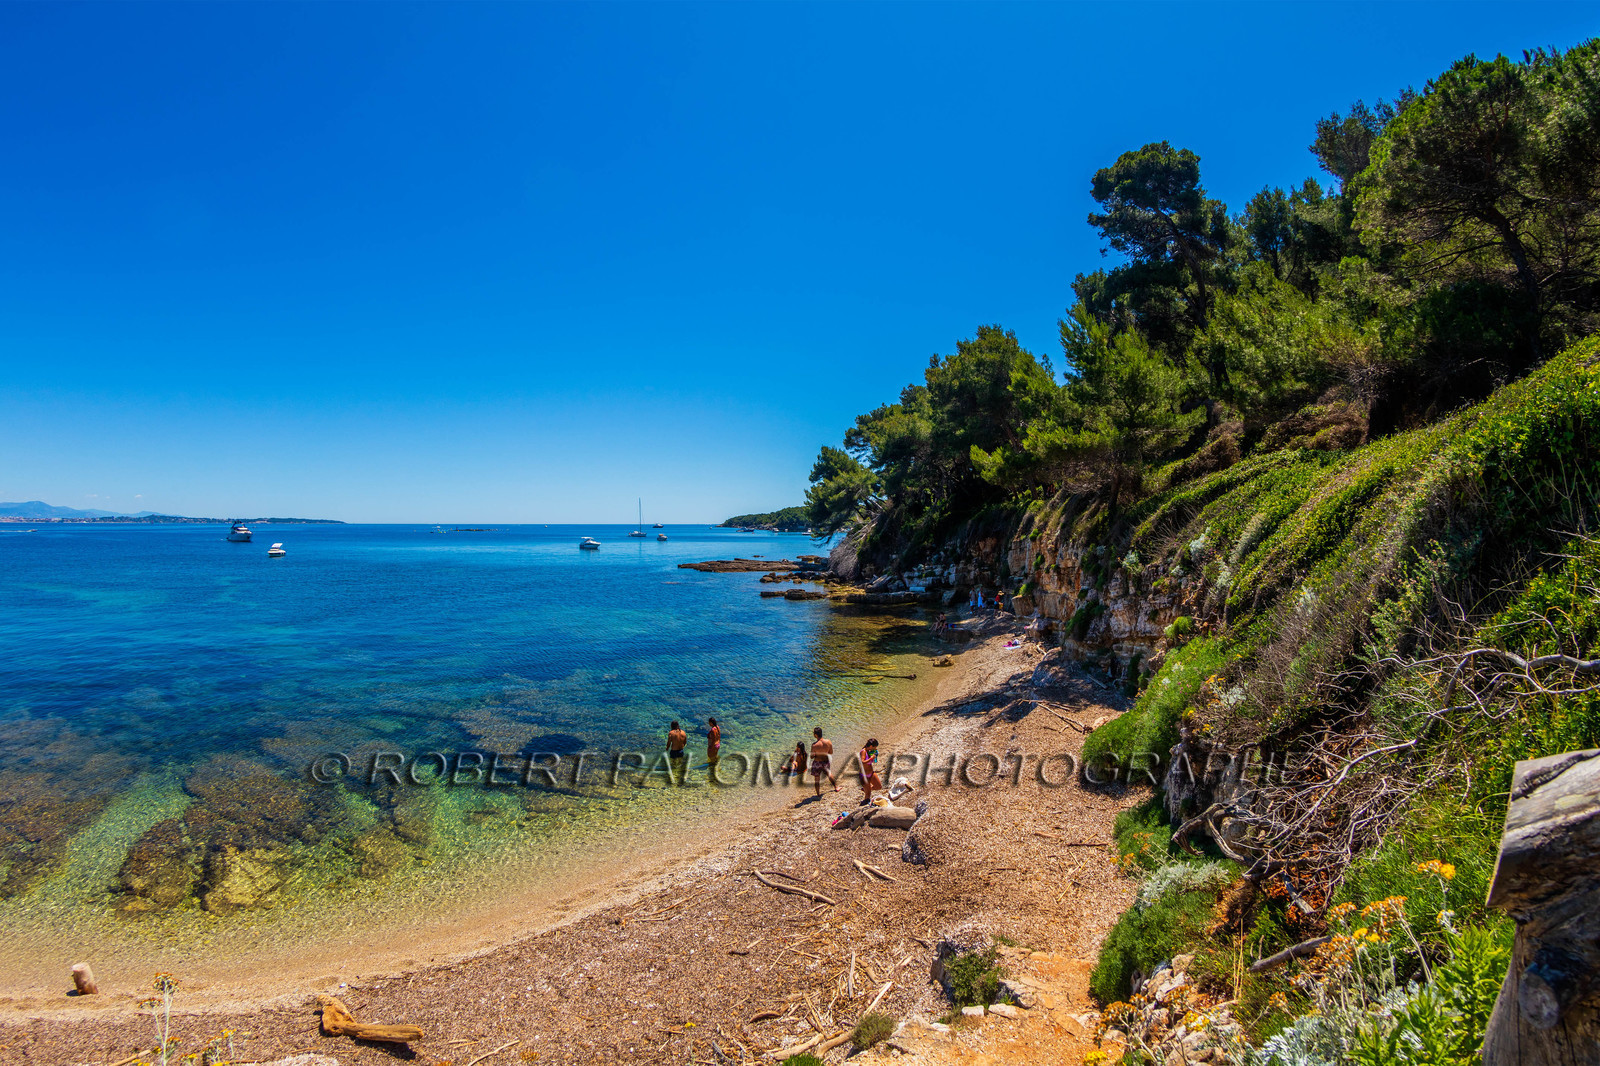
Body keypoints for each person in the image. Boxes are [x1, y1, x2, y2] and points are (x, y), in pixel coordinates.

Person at [809, 726, 839, 796]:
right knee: (829, 774)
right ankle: (836, 787)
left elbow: (811, 756)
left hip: (817, 762)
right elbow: (831, 752)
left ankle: (818, 794)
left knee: (817, 779)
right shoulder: (828, 742)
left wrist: (816, 754)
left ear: (815, 735)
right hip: (825, 761)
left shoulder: (814, 745)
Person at [858, 738, 883, 805]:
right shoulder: (863, 751)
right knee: (868, 796)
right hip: (864, 776)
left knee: (879, 786)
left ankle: (866, 789)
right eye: (874, 747)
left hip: (871, 773)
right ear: (871, 746)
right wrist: (871, 758)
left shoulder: (869, 751)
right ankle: (864, 806)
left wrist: (874, 756)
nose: (875, 749)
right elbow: (863, 762)